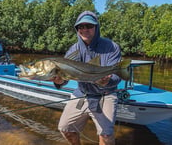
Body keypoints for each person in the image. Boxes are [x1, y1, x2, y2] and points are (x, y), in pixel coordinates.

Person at [52, 11, 122, 145]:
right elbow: (65, 76)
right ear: (77, 29)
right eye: (81, 27)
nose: (85, 30)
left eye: (89, 26)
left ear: (96, 27)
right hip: (82, 94)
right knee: (65, 129)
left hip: (105, 95)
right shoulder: (73, 49)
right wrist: (60, 82)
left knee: (106, 135)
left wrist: (108, 80)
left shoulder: (111, 47)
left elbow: (117, 75)